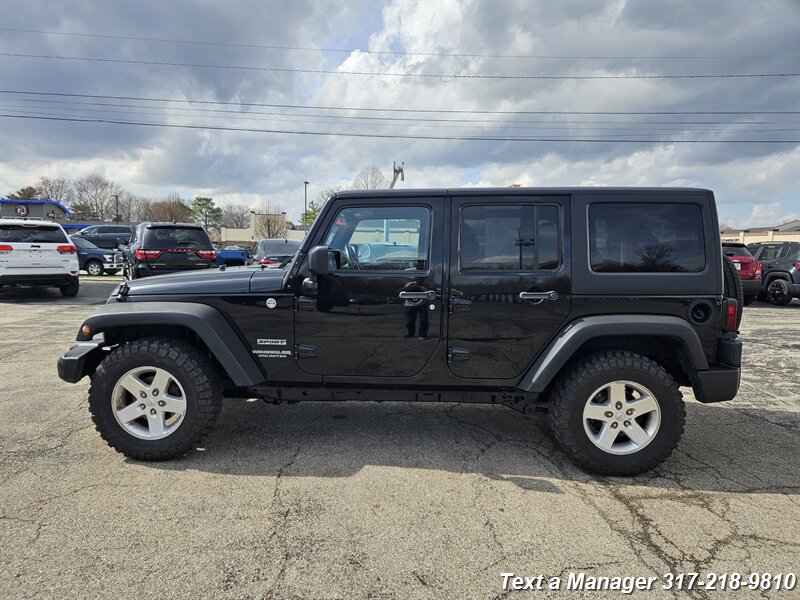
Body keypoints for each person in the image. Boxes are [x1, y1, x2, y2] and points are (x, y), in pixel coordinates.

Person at [402, 260, 429, 338]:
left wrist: (425, 287)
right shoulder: (409, 280)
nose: (419, 265)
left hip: (422, 302)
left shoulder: (426, 274)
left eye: (421, 264)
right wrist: (408, 287)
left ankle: (422, 334)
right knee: (409, 320)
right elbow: (401, 291)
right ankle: (410, 333)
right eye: (418, 264)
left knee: (424, 319)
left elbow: (430, 289)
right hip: (409, 303)